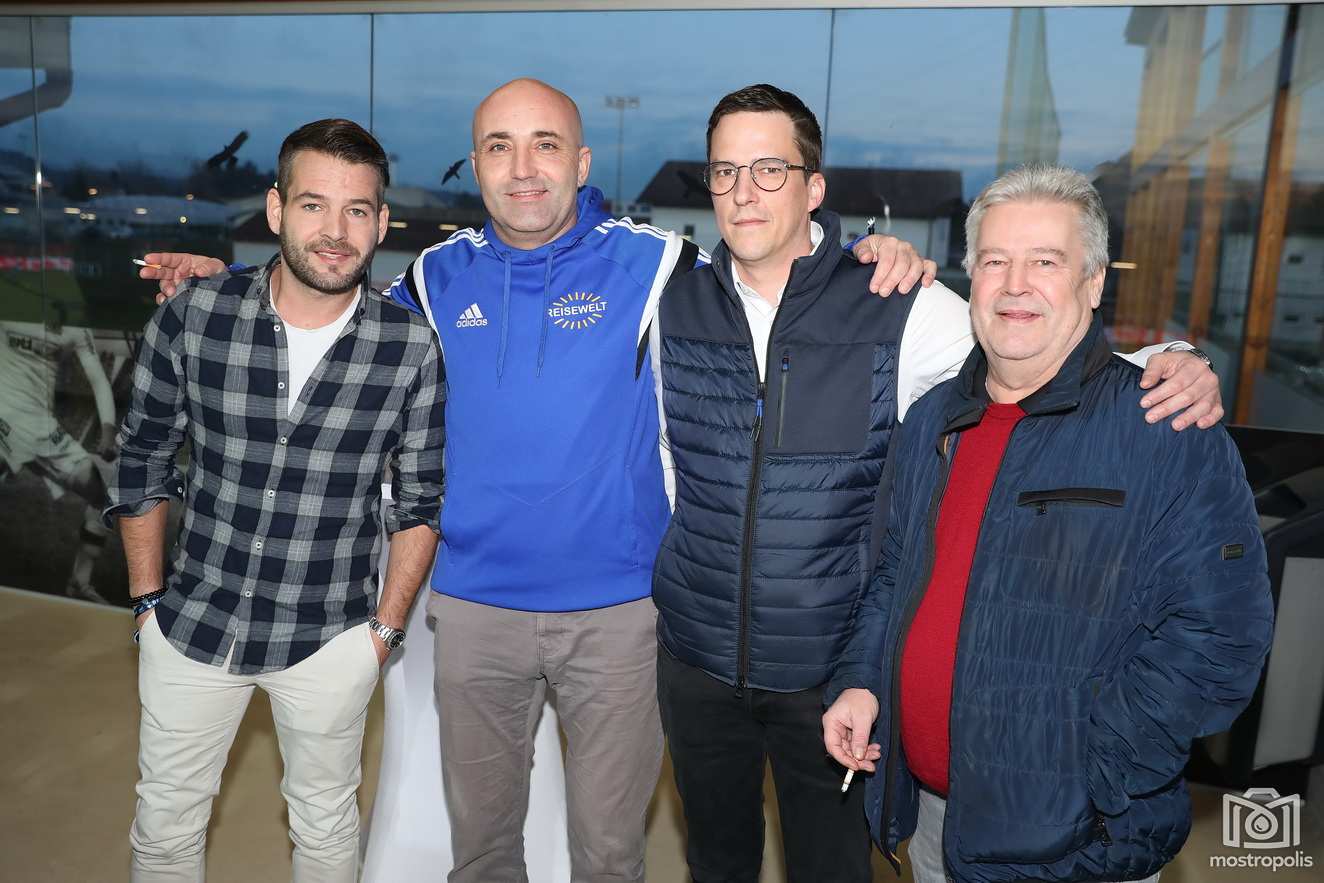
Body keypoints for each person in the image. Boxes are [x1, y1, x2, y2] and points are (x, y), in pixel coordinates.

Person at [137, 77, 938, 883]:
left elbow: (773, 268)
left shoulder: (656, 263)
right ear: (476, 164)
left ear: (581, 163)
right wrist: (226, 279)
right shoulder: (435, 277)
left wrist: (864, 257)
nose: (523, 169)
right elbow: (329, 296)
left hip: (620, 619)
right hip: (475, 615)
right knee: (482, 854)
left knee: (608, 856)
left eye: (545, 145)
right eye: (500, 147)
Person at [649, 86, 1224, 882]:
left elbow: (1028, 348)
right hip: (697, 659)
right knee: (713, 860)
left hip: (829, 673)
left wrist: (1171, 362)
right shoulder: (673, 303)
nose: (744, 191)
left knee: (830, 869)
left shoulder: (896, 302)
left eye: (769, 168)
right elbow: (667, 459)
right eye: (725, 171)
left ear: (814, 187)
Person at [822, 164, 1273, 883]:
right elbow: (897, 574)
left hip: (1078, 836)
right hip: (935, 816)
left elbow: (1222, 633)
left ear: (1092, 283)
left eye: (1045, 262)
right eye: (995, 260)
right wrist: (862, 682)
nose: (1015, 284)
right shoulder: (933, 420)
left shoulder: (1163, 425)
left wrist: (1097, 768)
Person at [105, 118, 444, 883]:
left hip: (330, 636)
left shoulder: (410, 348)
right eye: (314, 204)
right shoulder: (195, 315)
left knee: (325, 828)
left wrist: (383, 633)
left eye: (357, 210)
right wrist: (147, 603)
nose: (335, 231)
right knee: (164, 828)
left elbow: (420, 502)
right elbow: (143, 459)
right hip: (191, 622)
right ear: (276, 208)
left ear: (382, 223)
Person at [0, 306, 118, 602]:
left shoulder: (75, 323)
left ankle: (79, 582)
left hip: (41, 429)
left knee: (102, 497)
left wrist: (107, 431)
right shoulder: (10, 301)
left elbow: (98, 380)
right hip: (6, 415)